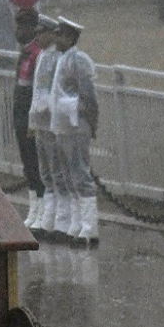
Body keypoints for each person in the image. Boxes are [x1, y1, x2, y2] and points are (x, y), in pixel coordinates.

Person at [49, 18, 100, 246]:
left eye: (60, 35)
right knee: (69, 175)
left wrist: (92, 122)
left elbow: (89, 96)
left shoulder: (78, 60)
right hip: (62, 124)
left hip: (76, 123)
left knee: (80, 174)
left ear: (70, 38)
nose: (56, 39)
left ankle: (89, 228)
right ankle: (77, 224)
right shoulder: (61, 59)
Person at [9, 0, 47, 229]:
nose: (17, 32)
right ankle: (34, 207)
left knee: (35, 160)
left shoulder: (37, 54)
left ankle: (41, 209)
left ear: (30, 28)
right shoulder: (24, 52)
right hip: (20, 106)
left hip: (30, 106)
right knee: (27, 159)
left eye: (21, 27)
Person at [27, 15, 63, 241]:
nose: (36, 37)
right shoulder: (42, 56)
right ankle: (49, 220)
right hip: (40, 121)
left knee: (57, 171)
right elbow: (36, 91)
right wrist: (32, 121)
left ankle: (59, 221)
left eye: (40, 33)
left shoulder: (58, 57)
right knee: (46, 173)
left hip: (52, 121)